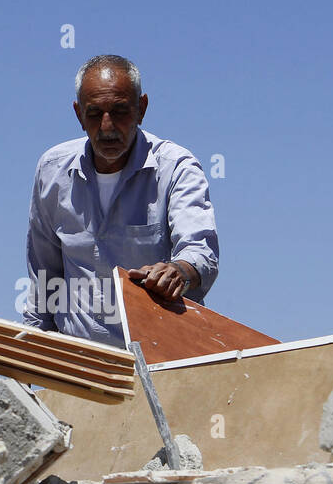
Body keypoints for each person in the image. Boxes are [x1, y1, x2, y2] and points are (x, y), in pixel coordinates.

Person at [22, 54, 219, 345]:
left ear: (142, 108)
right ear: (78, 114)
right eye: (94, 113)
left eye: (119, 111)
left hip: (160, 364)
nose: (107, 126)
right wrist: (29, 359)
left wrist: (179, 271)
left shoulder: (176, 167)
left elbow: (201, 254)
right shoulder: (52, 171)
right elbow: (44, 278)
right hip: (80, 367)